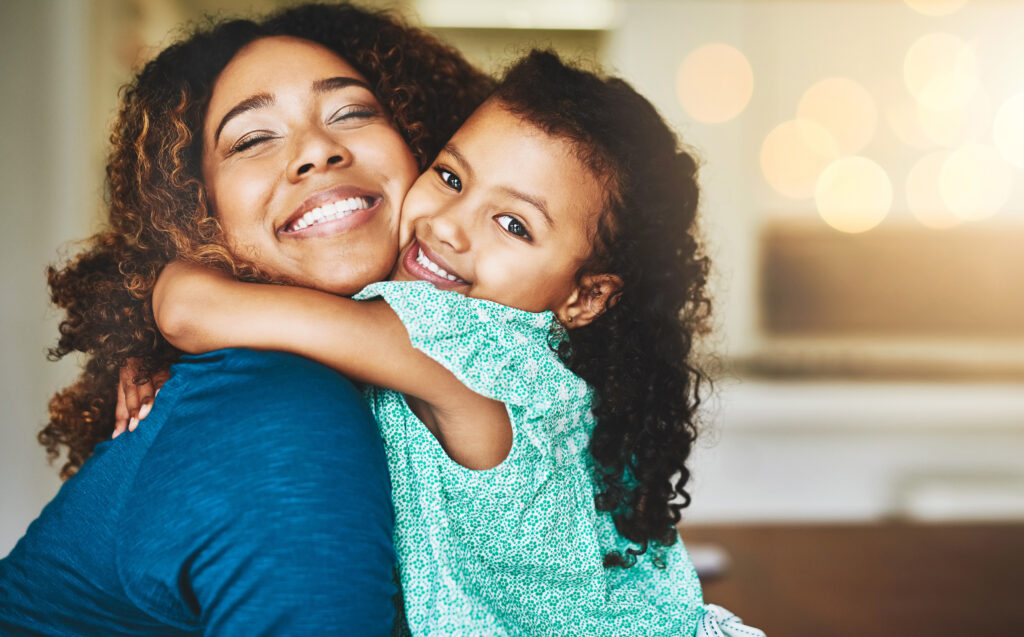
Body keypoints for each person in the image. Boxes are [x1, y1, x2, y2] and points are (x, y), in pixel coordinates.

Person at [148, 51, 764, 636]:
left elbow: (188, 310)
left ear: (585, 297)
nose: (447, 225)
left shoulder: (478, 353)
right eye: (449, 176)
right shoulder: (490, 344)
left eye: (513, 224)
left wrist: (163, 280)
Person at [0, 4, 492, 635]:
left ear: (424, 149)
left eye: (354, 112)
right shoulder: (285, 411)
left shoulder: (446, 374)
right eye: (253, 139)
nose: (316, 150)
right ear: (194, 214)